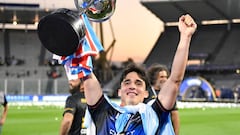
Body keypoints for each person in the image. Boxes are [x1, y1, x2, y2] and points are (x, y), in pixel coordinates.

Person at [83, 14, 197, 134]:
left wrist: (185, 37)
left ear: (146, 93)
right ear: (119, 91)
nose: (132, 86)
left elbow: (175, 80)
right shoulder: (104, 113)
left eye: (138, 83)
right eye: (127, 82)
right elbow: (87, 76)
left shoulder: (153, 115)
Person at [146, 64, 180, 135]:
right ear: (153, 78)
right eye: (161, 77)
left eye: (166, 77)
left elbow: (175, 116)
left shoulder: (169, 94)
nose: (164, 79)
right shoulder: (145, 92)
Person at [60, 69, 87, 135]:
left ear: (82, 81)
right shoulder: (95, 99)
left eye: (73, 80)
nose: (70, 82)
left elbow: (67, 120)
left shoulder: (73, 99)